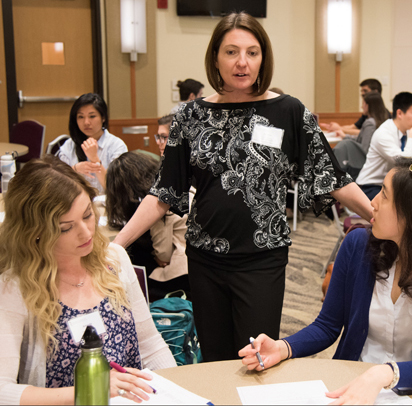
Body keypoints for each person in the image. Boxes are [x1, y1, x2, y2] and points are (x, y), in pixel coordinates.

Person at [113, 11, 372, 362]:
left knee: (255, 358)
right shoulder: (190, 117)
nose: (242, 63)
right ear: (215, 58)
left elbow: (333, 178)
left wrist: (383, 217)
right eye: (231, 52)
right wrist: (115, 247)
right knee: (216, 359)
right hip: (205, 259)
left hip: (262, 259)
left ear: (263, 57)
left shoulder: (289, 112)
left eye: (252, 52)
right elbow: (163, 193)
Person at [240, 158, 412, 405]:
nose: (373, 203)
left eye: (385, 195)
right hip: (352, 384)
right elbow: (327, 325)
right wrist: (283, 347)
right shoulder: (358, 245)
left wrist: (385, 373)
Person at [0, 156, 176, 405]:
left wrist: (176, 390)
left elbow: (150, 345)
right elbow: (2, 391)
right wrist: (93, 387)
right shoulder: (15, 287)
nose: (85, 232)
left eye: (87, 215)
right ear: (35, 232)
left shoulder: (114, 260)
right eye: (65, 228)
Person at [106, 151, 190, 302]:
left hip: (184, 273)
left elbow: (163, 255)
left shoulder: (157, 205)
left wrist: (156, 257)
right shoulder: (177, 185)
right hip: (202, 263)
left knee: (134, 255)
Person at [356, 91, 412, 200]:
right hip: (370, 187)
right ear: (400, 113)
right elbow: (403, 162)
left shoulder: (408, 131)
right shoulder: (383, 133)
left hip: (392, 185)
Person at [57, 93, 128, 194]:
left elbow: (114, 189)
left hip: (107, 204)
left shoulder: (117, 146)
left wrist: (94, 159)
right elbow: (58, 184)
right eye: (81, 117)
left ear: (103, 118)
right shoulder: (69, 145)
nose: (86, 122)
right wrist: (75, 169)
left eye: (92, 116)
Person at [333, 91, 389, 179]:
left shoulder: (370, 123)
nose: (361, 107)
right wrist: (345, 136)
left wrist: (347, 141)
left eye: (363, 103)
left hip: (363, 166)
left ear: (368, 105)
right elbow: (363, 139)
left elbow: (364, 148)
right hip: (379, 165)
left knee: (341, 147)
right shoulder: (384, 121)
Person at [321, 79, 388, 136]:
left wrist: (339, 128)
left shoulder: (383, 114)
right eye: (361, 91)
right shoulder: (367, 113)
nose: (362, 94)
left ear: (375, 92)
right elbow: (355, 127)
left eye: (365, 91)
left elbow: (365, 133)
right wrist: (335, 127)